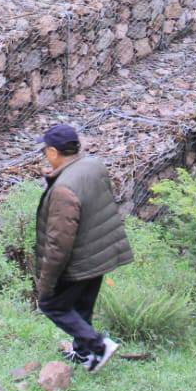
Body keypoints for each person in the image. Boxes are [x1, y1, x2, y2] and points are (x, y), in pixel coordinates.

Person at [33, 123, 133, 372]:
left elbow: (58, 243)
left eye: (46, 150)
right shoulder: (93, 165)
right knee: (82, 306)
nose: (45, 155)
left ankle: (99, 346)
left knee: (52, 305)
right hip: (101, 251)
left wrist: (46, 283)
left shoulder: (64, 188)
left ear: (54, 152)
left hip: (80, 259)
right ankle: (82, 353)